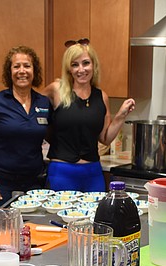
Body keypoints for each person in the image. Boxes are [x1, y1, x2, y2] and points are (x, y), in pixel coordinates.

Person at [45, 39, 135, 192]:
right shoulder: (56, 91)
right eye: (75, 65)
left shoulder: (101, 97)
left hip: (93, 174)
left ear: (94, 65)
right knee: (61, 216)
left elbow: (105, 138)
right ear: (69, 69)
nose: (81, 70)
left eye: (85, 63)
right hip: (62, 173)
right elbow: (35, 111)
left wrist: (120, 115)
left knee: (95, 216)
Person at [0, 46, 51, 207]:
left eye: (27, 66)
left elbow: (52, 136)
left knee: (33, 229)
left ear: (35, 71)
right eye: (16, 66)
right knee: (3, 231)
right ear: (9, 71)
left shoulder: (44, 103)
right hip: (1, 185)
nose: (22, 71)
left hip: (35, 184)